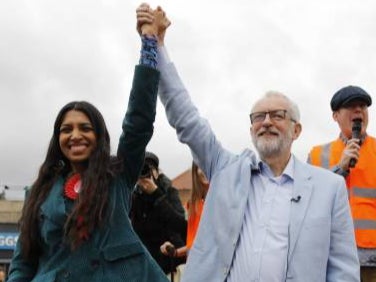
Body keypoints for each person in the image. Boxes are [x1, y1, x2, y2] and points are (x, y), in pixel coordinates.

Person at [137, 4, 360, 281]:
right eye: (258, 116)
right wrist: (157, 46)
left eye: (278, 115)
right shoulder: (225, 169)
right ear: (251, 128)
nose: (266, 121)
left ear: (297, 130)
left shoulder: (329, 189)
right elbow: (185, 116)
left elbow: (343, 271)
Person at [7, 8, 170, 282]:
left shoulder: (117, 176)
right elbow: (23, 261)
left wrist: (149, 43)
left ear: (99, 136)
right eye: (66, 129)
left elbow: (138, 122)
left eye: (85, 128)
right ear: (57, 140)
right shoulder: (38, 193)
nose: (75, 135)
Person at [308, 85, 376, 281]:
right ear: (335, 115)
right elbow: (308, 199)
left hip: (372, 261)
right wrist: (341, 168)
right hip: (331, 256)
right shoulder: (317, 154)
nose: (358, 110)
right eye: (351, 106)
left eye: (362, 106)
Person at [131, 151, 187, 277]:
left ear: (156, 172)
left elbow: (180, 225)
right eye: (140, 170)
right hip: (147, 267)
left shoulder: (169, 192)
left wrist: (156, 194)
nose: (144, 174)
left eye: (147, 169)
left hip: (171, 265)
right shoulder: (134, 197)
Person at [160, 161, 209, 259]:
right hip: (202, 265)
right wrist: (175, 252)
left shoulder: (227, 199)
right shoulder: (194, 205)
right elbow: (195, 246)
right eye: (201, 166)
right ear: (195, 172)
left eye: (209, 165)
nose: (205, 170)